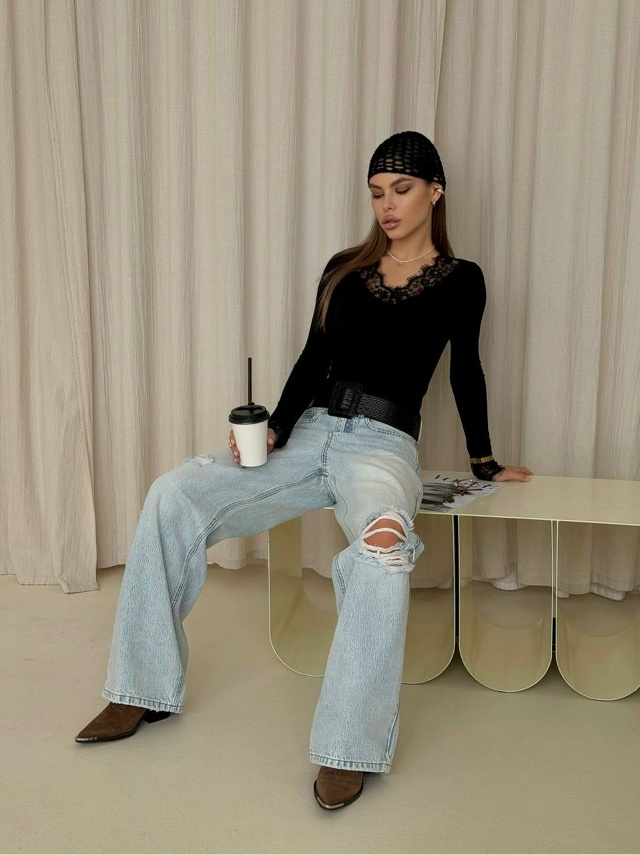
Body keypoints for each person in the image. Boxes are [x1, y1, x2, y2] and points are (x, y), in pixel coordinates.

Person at [75, 131, 532, 810]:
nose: (386, 205)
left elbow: (466, 369)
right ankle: (138, 690)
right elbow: (311, 359)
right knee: (173, 493)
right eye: (375, 193)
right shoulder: (345, 269)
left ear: (435, 192)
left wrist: (484, 461)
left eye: (401, 189)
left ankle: (347, 746)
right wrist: (276, 428)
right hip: (311, 430)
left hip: (381, 445)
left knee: (383, 550)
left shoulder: (462, 279)